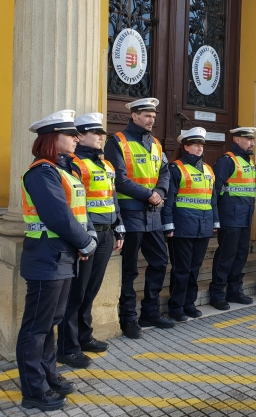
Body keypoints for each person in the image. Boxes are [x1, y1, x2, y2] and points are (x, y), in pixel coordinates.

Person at [17, 110, 98, 411]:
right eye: (70, 134)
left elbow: (79, 211)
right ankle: (33, 390)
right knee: (36, 327)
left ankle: (48, 375)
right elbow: (57, 217)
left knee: (51, 321)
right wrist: (86, 242)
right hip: (46, 258)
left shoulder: (65, 171)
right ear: (52, 139)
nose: (78, 138)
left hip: (62, 256)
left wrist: (86, 237)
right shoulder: (41, 172)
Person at [56, 113, 124, 368]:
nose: (101, 138)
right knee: (76, 292)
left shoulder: (106, 165)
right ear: (81, 136)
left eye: (102, 134)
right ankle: (68, 347)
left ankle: (84, 337)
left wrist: (119, 228)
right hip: (86, 234)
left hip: (106, 233)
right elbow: (74, 203)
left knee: (90, 291)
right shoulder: (73, 164)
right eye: (96, 134)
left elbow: (112, 198)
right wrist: (81, 238)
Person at [104, 98, 174, 339]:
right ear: (133, 115)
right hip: (131, 212)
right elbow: (118, 179)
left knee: (158, 262)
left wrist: (160, 193)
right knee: (129, 268)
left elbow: (164, 173)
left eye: (153, 115)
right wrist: (150, 195)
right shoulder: (117, 142)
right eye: (146, 114)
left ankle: (150, 312)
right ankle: (128, 318)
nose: (151, 119)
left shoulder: (155, 143)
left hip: (153, 215)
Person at [162, 127, 218, 321]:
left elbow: (212, 199)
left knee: (195, 269)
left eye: (201, 145)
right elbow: (169, 199)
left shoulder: (208, 170)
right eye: (195, 145)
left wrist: (215, 221)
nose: (199, 148)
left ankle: (189, 304)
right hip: (182, 227)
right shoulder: (175, 168)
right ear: (185, 146)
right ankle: (176, 307)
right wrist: (168, 224)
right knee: (182, 269)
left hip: (203, 227)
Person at [209, 127, 256, 309]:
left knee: (241, 255)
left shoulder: (249, 162)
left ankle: (235, 291)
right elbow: (215, 191)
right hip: (230, 217)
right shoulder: (226, 161)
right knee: (226, 255)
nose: (252, 143)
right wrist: (216, 218)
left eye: (252, 139)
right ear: (237, 140)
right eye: (249, 139)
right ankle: (217, 293)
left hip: (245, 217)